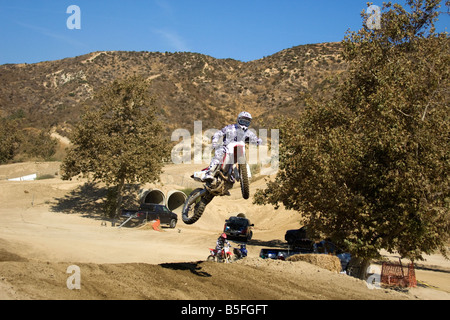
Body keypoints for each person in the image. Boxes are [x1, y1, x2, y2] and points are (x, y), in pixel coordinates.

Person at [203, 111, 262, 181]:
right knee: (219, 153)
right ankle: (210, 173)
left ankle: (242, 175)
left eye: (247, 122)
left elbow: (257, 139)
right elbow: (218, 133)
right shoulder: (230, 128)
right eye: (242, 121)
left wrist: (259, 141)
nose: (244, 124)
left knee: (244, 159)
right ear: (238, 120)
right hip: (226, 148)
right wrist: (215, 142)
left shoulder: (248, 132)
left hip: (238, 150)